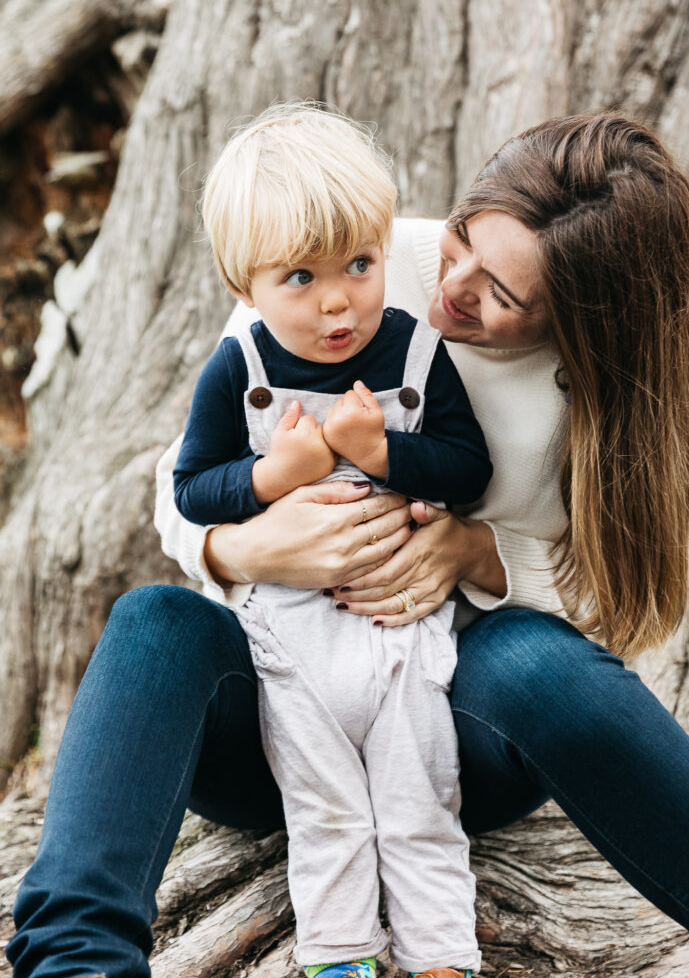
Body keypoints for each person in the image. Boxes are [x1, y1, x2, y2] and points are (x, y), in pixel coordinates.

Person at [7, 112, 689, 978]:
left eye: (500, 294)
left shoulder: (616, 401)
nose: (450, 283)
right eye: (462, 238)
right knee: (154, 622)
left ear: (583, 322)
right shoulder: (353, 258)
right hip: (279, 711)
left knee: (536, 662)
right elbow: (183, 486)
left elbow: (615, 599)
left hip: (448, 727)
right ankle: (74, 958)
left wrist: (479, 555)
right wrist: (250, 551)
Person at [171, 104, 491, 978]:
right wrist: (279, 473)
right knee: (325, 805)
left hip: (399, 629)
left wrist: (380, 452)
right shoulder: (241, 370)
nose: (338, 298)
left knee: (419, 794)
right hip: (292, 636)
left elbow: (468, 468)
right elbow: (193, 488)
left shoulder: (417, 356)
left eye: (359, 263)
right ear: (246, 287)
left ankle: (440, 957)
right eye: (300, 278)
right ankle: (340, 954)